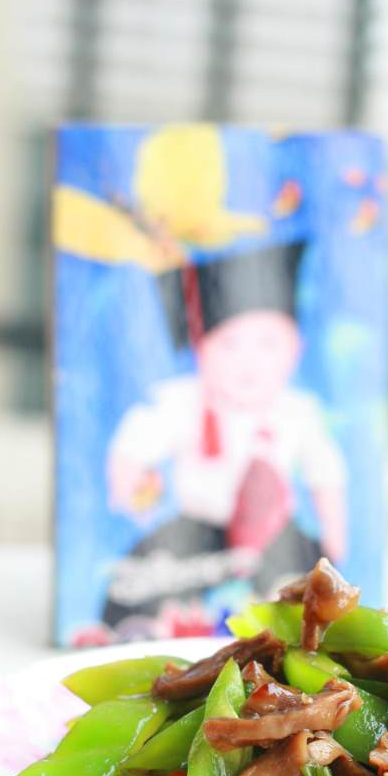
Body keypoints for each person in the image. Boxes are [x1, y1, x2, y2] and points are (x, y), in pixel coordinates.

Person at [102, 243, 347, 636]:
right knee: (142, 592)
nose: (249, 361)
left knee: (312, 601)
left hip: (278, 537)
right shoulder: (184, 403)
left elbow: (325, 475)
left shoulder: (297, 412)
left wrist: (334, 536)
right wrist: (129, 488)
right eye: (230, 344)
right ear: (199, 350)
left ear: (296, 350)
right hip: (196, 535)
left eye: (268, 343)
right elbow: (133, 445)